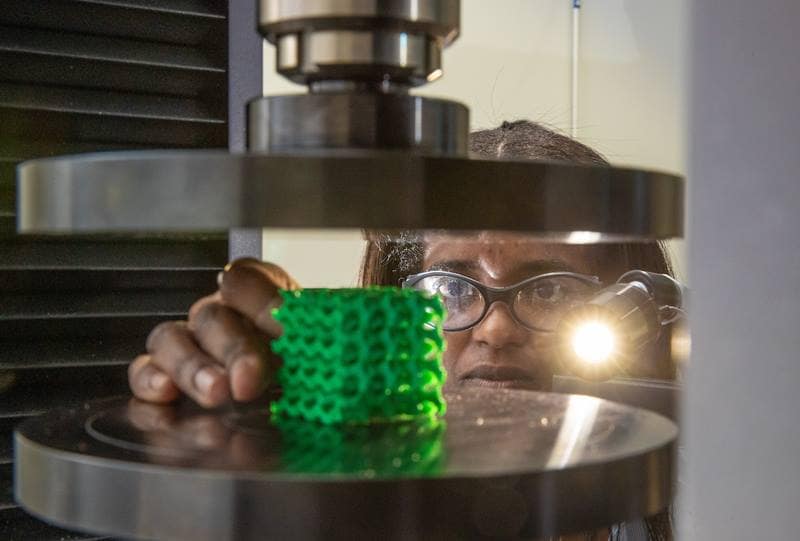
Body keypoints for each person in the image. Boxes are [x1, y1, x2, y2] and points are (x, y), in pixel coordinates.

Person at [127, 120, 675, 540]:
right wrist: (245, 438)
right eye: (450, 289)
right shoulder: (360, 509)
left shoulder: (713, 497)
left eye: (551, 290)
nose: (497, 329)